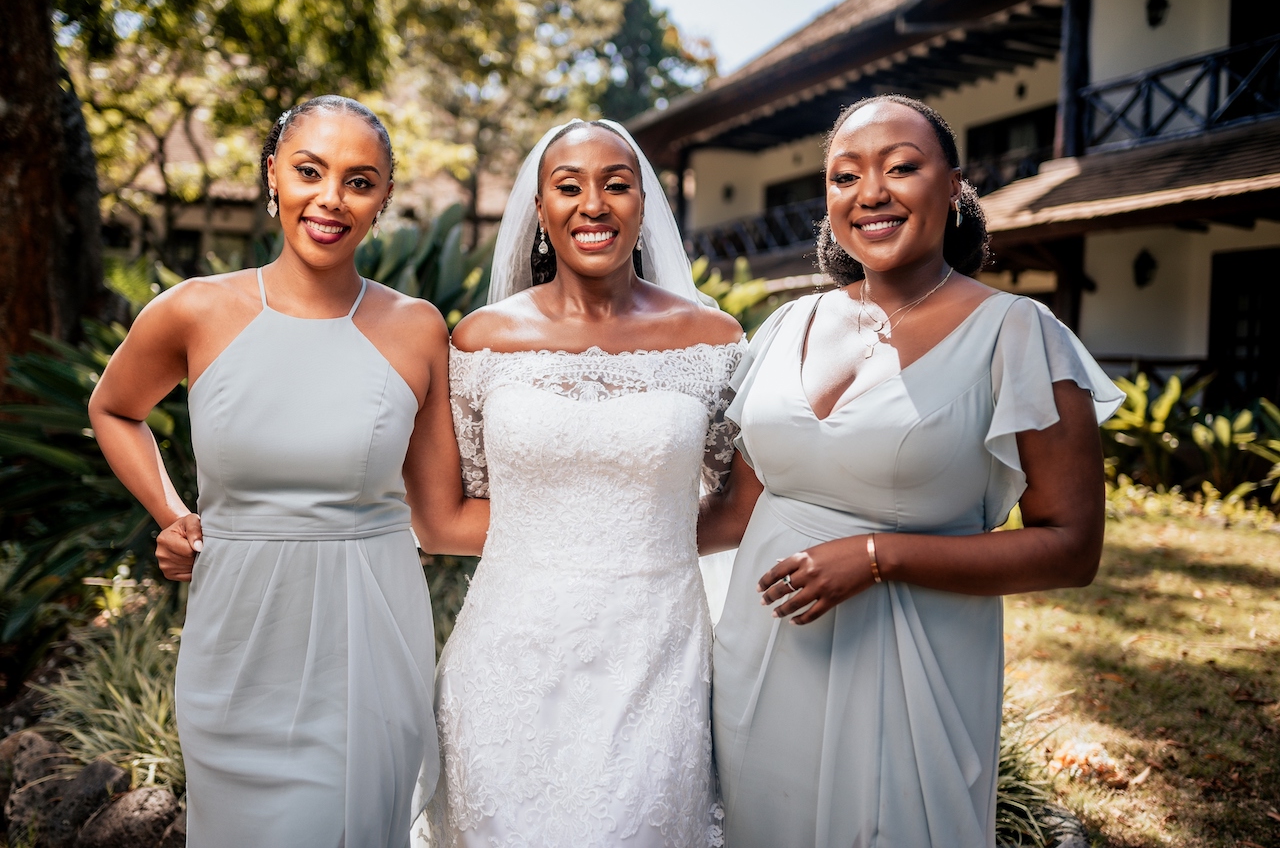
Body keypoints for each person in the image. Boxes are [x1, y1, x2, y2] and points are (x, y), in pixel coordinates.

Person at [699, 95, 1125, 848]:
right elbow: (738, 507)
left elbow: (1072, 547)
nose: (871, 192)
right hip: (762, 652)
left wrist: (876, 557)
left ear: (954, 186)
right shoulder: (787, 324)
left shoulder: (1018, 335)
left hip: (912, 665)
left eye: (902, 167)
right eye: (845, 175)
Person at [88, 95, 486, 848]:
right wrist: (174, 515)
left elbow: (441, 513)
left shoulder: (418, 328)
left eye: (359, 180)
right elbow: (114, 408)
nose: (330, 198)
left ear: (384, 200)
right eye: (310, 171)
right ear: (273, 175)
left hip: (367, 638)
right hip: (237, 641)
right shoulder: (194, 311)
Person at [428, 119, 742, 847]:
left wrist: (646, 539)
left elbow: (739, 502)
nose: (592, 203)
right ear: (540, 212)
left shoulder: (713, 341)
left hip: (654, 654)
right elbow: (456, 508)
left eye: (616, 184)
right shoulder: (480, 341)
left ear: (644, 203)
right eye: (567, 186)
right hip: (507, 659)